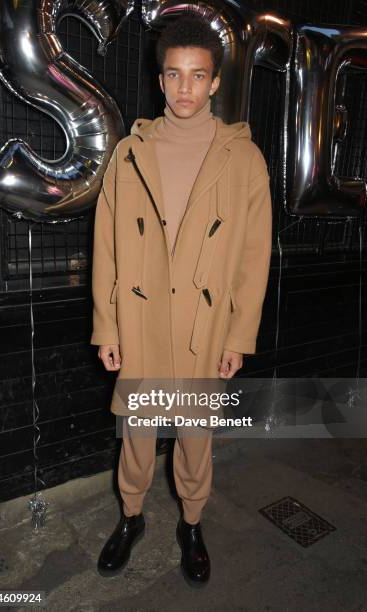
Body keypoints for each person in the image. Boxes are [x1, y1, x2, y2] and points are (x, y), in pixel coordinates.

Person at [90, 12, 272, 587]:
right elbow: (106, 249)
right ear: (159, 78)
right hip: (141, 319)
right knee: (138, 435)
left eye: (197, 75)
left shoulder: (243, 159)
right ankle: (131, 516)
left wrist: (239, 338)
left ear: (215, 81)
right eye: (173, 75)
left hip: (204, 322)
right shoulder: (129, 154)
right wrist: (107, 327)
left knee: (195, 436)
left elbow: (252, 258)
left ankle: (191, 523)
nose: (184, 88)